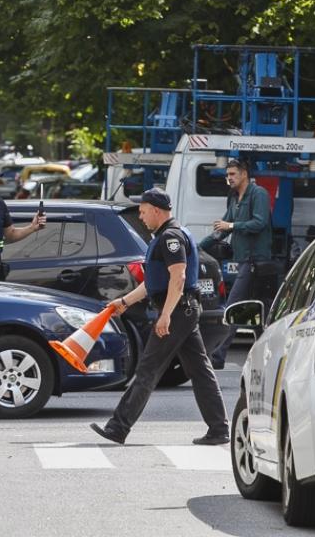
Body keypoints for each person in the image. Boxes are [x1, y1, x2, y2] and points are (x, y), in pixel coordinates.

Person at [90, 188, 229, 446]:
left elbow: (179, 277)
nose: (141, 217)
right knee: (200, 371)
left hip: (177, 311)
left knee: (148, 369)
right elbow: (155, 282)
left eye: (143, 212)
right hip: (183, 310)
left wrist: (165, 315)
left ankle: (118, 427)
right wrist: (124, 302)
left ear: (156, 210)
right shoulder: (168, 235)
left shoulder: (170, 237)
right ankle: (219, 429)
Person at [199, 159, 272, 369]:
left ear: (244, 174)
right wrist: (198, 248)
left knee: (233, 306)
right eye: (227, 174)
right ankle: (266, 354)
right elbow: (221, 230)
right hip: (243, 261)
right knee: (253, 312)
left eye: (232, 174)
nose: (229, 178)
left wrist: (231, 225)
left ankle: (218, 355)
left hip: (255, 262)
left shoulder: (258, 194)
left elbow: (259, 223)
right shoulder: (234, 198)